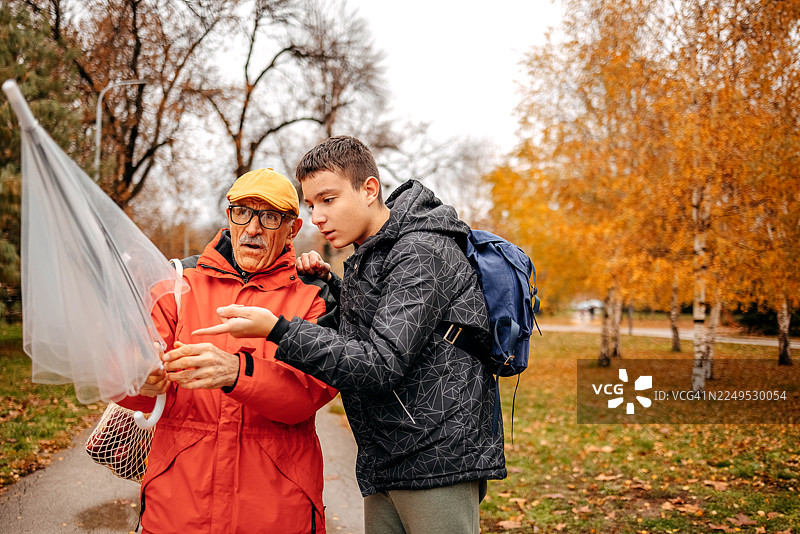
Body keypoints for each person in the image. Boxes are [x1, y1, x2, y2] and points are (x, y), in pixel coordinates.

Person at [194, 136, 506, 534]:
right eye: (310, 205)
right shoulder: (372, 253)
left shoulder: (422, 250)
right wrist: (335, 285)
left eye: (328, 199)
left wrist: (278, 330)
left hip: (437, 459)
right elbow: (384, 326)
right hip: (389, 455)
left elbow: (379, 363)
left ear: (369, 189)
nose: (318, 217)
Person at [118, 168, 339, 534]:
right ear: (229, 215)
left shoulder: (313, 294)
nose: (252, 229)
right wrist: (139, 381)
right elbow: (129, 379)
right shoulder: (178, 283)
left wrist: (237, 372)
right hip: (175, 510)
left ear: (292, 228)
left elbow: (308, 393)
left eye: (269, 217)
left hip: (276, 512)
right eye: (243, 213)